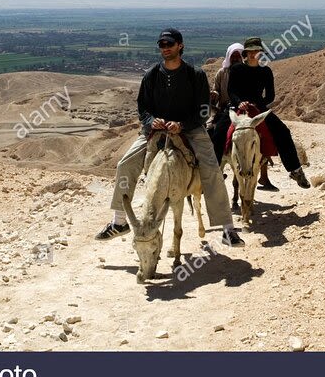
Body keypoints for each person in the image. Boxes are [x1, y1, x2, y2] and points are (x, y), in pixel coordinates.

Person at [95, 28, 245, 247]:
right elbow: (143, 107)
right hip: (156, 129)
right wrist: (150, 121)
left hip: (190, 129)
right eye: (162, 45)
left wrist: (182, 124)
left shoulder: (196, 75)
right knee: (124, 164)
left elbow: (204, 111)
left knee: (212, 168)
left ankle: (227, 229)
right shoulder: (151, 75)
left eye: (169, 44)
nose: (165, 48)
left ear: (180, 46)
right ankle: (119, 221)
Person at [224, 37, 311, 188]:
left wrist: (258, 104)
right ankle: (215, 173)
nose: (253, 54)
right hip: (239, 108)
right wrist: (240, 102)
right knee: (218, 131)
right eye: (250, 51)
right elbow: (231, 91)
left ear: (261, 53)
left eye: (256, 51)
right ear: (246, 53)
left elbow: (270, 96)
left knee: (283, 132)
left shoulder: (265, 71)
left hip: (259, 109)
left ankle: (295, 170)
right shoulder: (236, 69)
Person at [209, 42, 278, 191]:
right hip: (227, 108)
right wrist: (215, 95)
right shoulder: (222, 73)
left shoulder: (245, 71)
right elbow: (217, 91)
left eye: (238, 56)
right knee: (213, 131)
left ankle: (264, 176)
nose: (235, 58)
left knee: (260, 134)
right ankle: (215, 171)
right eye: (232, 56)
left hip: (246, 108)